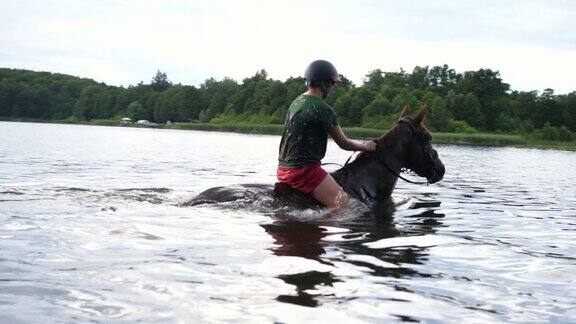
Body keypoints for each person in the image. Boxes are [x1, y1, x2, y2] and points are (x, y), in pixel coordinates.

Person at [277, 60, 376, 214]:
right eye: (332, 83)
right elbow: (343, 143)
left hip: (283, 170)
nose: (332, 87)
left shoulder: (296, 102)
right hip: (305, 173)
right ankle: (315, 227)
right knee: (346, 206)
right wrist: (365, 147)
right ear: (325, 83)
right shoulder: (323, 109)